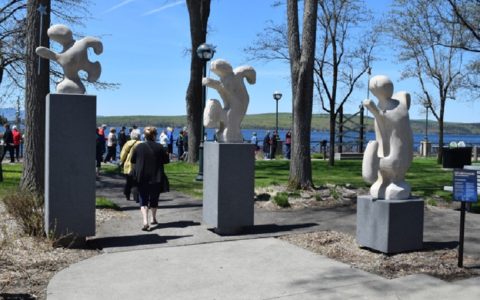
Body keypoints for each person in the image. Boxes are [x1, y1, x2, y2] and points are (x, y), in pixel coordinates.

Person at [131, 126, 169, 231]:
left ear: (145, 136)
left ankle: (145, 221)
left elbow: (133, 160)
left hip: (142, 177)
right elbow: (166, 161)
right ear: (154, 135)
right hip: (156, 176)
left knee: (143, 199)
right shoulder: (160, 147)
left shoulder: (138, 147)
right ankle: (153, 218)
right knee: (154, 198)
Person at [120, 129, 141, 202]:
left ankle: (127, 194)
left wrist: (122, 161)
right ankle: (136, 197)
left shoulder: (128, 143)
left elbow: (123, 155)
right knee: (137, 182)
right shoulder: (142, 143)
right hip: (138, 165)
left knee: (128, 181)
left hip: (128, 165)